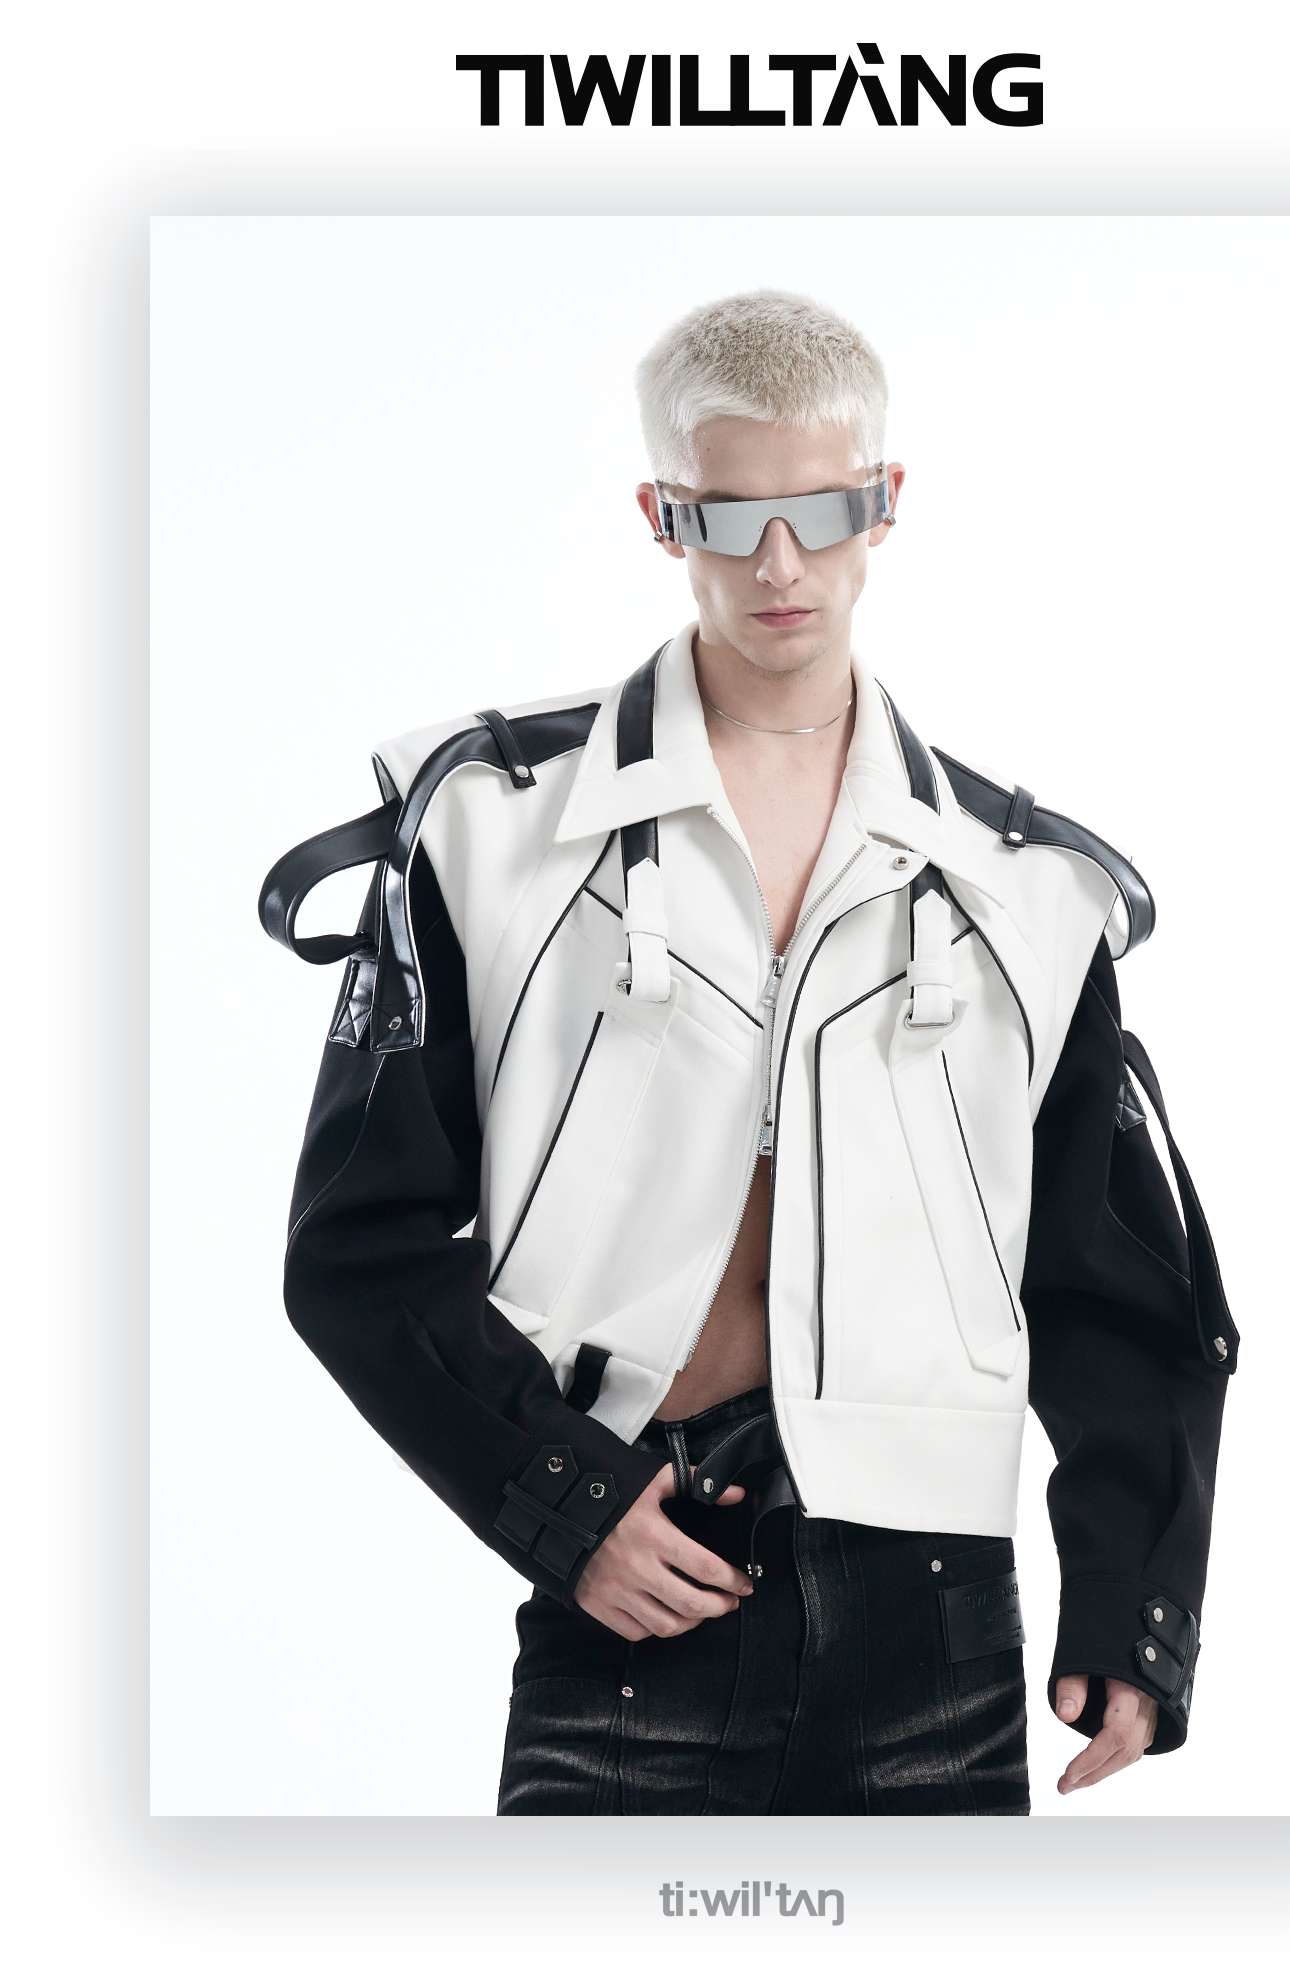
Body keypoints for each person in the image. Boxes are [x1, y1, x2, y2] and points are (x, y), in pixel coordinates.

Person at [259, 288, 1238, 1815]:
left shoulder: (1028, 891)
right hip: (631, 1594)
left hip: (937, 1625)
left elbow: (1116, 1286)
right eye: (729, 518)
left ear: (885, 504)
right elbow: (355, 1247)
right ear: (663, 515)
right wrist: (556, 1498)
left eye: (822, 512)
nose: (781, 565)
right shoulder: (488, 827)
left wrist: (1133, 1600)